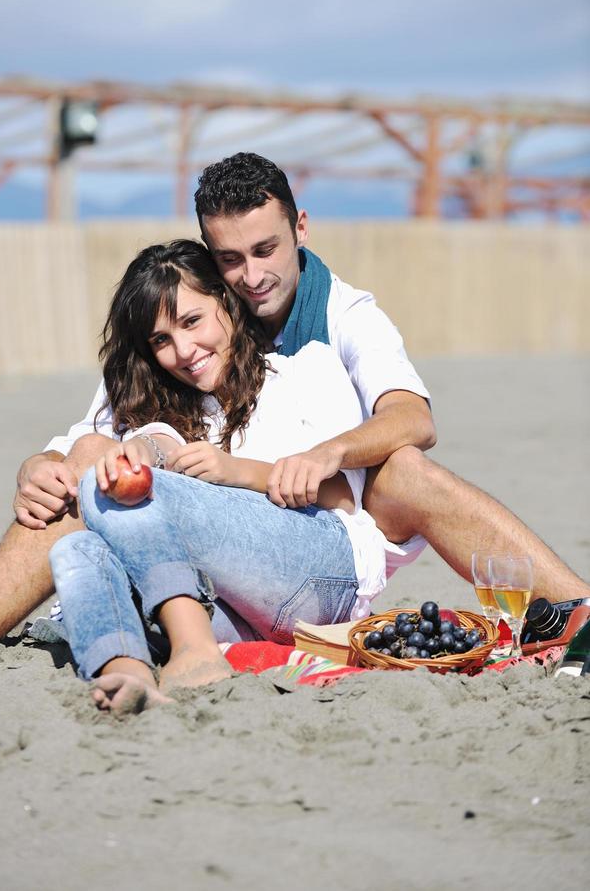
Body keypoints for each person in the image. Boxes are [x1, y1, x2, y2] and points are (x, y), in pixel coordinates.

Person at [0, 152, 588, 656]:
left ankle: (574, 606)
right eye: (231, 260)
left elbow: (413, 420)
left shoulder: (337, 318)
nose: (251, 276)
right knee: (86, 471)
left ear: (299, 228)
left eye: (266, 250)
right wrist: (38, 466)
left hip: (347, 527)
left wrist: (324, 452)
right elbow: (89, 437)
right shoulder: (185, 333)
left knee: (402, 469)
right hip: (237, 547)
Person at [47, 239, 385, 712]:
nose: (183, 350)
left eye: (191, 321)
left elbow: (344, 499)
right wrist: (138, 451)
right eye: (160, 340)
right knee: (75, 547)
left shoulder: (305, 370)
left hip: (325, 575)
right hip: (235, 607)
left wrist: (236, 471)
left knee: (106, 490)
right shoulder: (176, 407)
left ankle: (194, 649)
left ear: (226, 302)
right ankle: (128, 670)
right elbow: (153, 441)